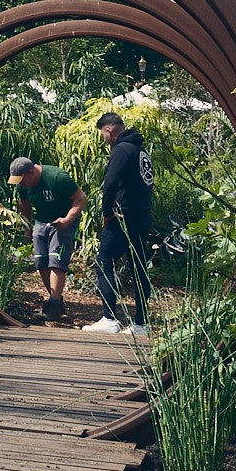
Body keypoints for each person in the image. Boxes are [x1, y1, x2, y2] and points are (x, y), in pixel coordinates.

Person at [84, 111, 155, 337]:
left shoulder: (121, 150)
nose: (104, 140)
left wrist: (106, 213)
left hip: (122, 217)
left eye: (103, 136)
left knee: (104, 263)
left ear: (109, 131)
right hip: (142, 215)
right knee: (138, 268)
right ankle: (141, 324)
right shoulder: (141, 150)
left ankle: (109, 318)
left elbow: (110, 184)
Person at [9, 156, 84, 319]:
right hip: (41, 222)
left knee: (56, 260)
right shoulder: (23, 185)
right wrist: (27, 227)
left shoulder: (57, 177)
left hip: (63, 221)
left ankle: (54, 304)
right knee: (41, 261)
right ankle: (56, 301)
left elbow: (80, 199)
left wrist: (67, 220)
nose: (21, 184)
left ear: (31, 172)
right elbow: (24, 204)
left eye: (22, 180)